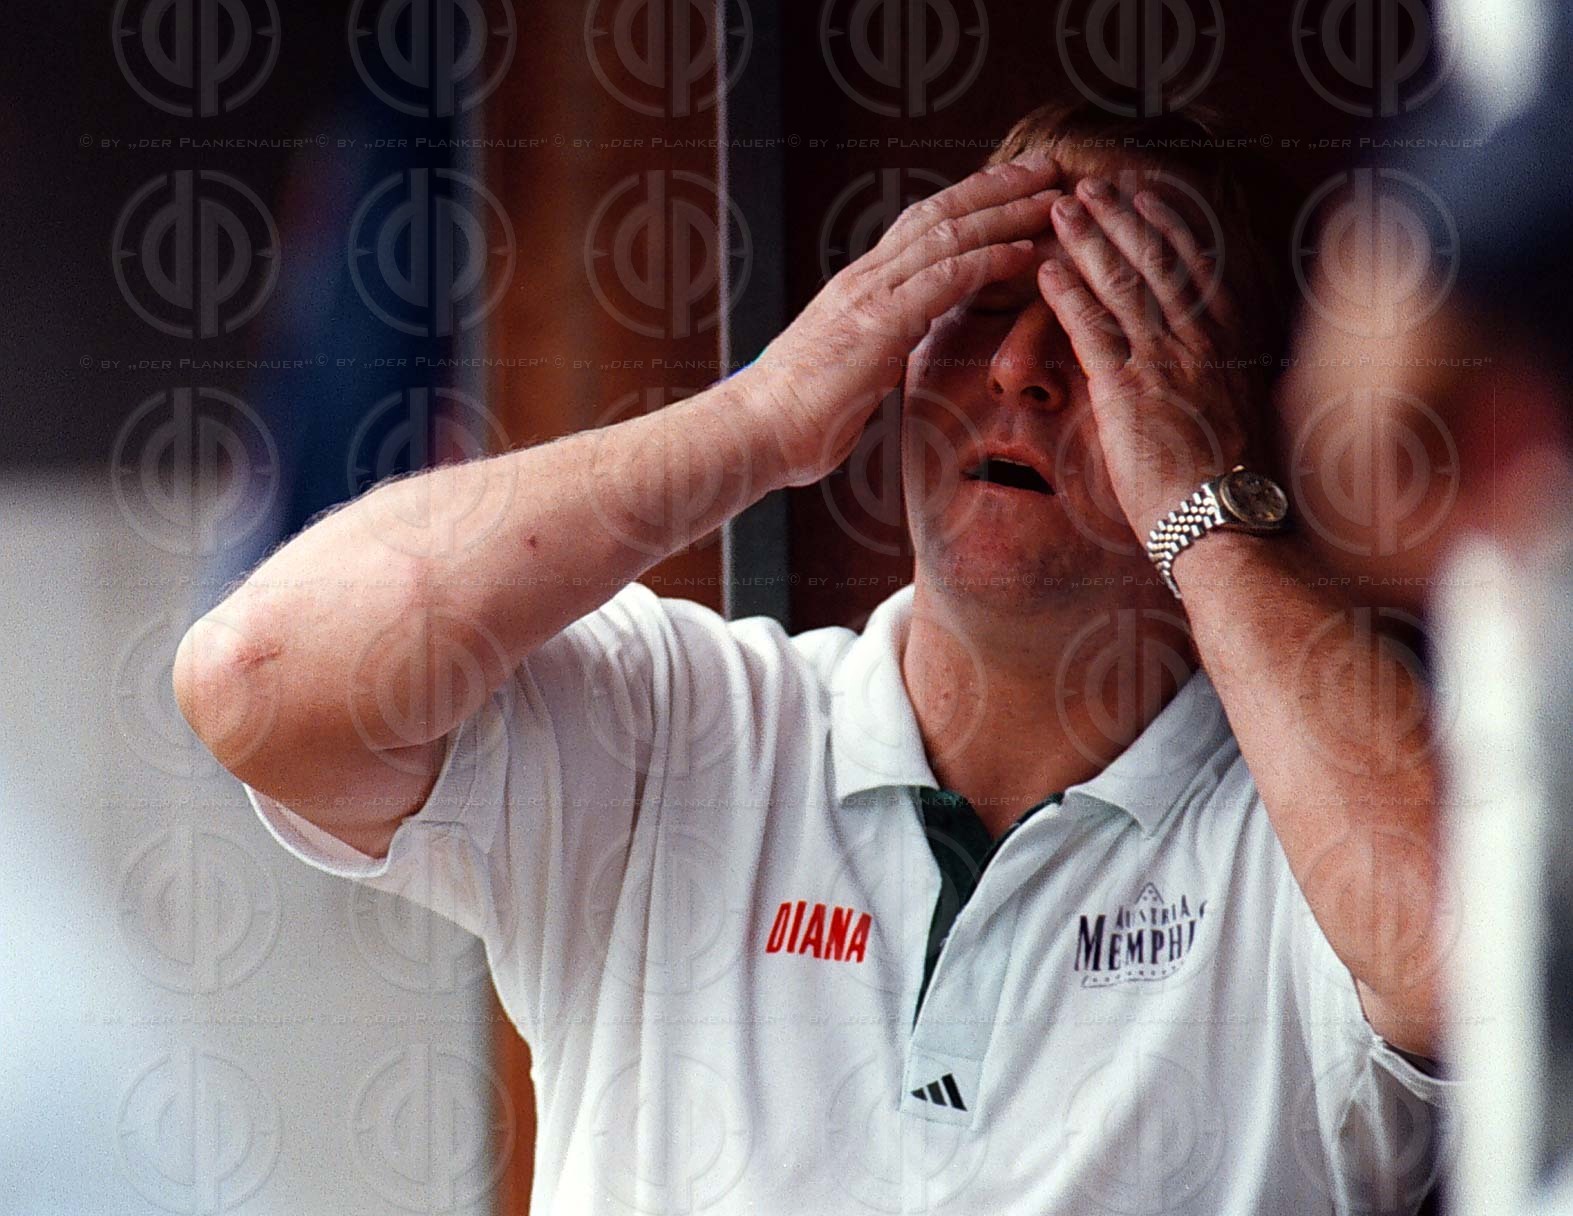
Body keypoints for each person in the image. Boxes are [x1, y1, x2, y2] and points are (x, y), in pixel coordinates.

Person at [174, 99, 1458, 1214]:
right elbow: (258, 679)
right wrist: (762, 412)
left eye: (1112, 333)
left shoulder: (1306, 836)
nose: (1020, 368)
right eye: (982, 304)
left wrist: (1200, 505)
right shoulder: (683, 725)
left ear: (1234, 420)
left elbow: (1465, 962)